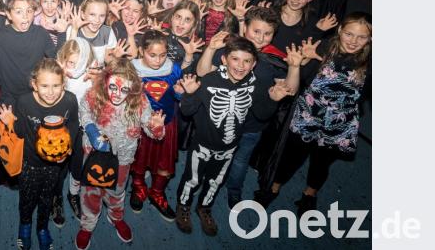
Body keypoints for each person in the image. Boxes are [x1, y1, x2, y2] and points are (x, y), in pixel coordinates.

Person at [174, 37, 292, 236]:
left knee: (215, 181)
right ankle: (183, 205)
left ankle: (205, 207)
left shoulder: (254, 85)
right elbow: (187, 111)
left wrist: (272, 100)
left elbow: (262, 114)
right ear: (224, 60)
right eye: (235, 59)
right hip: (202, 145)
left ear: (254, 64)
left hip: (229, 147)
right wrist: (191, 94)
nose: (241, 66)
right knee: (192, 179)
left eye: (247, 61)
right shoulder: (209, 80)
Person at [261, 12, 371, 215]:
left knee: (321, 163)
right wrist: (307, 60)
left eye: (362, 37)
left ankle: (309, 194)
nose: (354, 41)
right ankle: (274, 187)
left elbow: (360, 86)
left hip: (339, 123)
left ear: (370, 38)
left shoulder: (370, 62)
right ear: (340, 31)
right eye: (349, 34)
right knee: (292, 155)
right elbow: (302, 78)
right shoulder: (325, 46)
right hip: (309, 115)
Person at [195, 7, 303, 208]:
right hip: (222, 121)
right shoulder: (231, 49)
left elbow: (289, 89)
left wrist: (295, 68)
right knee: (211, 158)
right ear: (245, 29)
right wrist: (210, 49)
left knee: (240, 161)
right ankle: (200, 184)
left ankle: (234, 191)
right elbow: (202, 72)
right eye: (256, 31)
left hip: (252, 125)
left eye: (267, 33)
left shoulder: (275, 59)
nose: (261, 38)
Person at [76, 58, 166, 249]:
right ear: (105, 81)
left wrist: (156, 127)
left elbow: (150, 128)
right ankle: (88, 224)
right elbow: (83, 112)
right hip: (94, 154)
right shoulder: (94, 95)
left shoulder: (140, 102)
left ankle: (115, 216)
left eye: (124, 89)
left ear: (132, 87)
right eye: (113, 88)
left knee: (117, 190)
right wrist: (91, 129)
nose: (117, 94)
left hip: (123, 157)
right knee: (90, 191)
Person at [0, 59, 80, 250]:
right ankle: (25, 225)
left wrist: (68, 147)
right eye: (44, 86)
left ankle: (42, 227)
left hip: (55, 164)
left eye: (56, 85)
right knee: (27, 198)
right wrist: (10, 122)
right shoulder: (24, 102)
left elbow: (73, 124)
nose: (50, 91)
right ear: (34, 85)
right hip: (30, 162)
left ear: (63, 84)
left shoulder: (69, 100)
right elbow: (21, 133)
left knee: (47, 197)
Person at [0, 0, 63, 105]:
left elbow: (57, 58)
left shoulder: (41, 33)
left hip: (36, 96)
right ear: (9, 14)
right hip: (9, 98)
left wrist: (62, 32)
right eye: (19, 12)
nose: (25, 16)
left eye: (29, 11)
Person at [129, 30, 184, 222]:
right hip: (140, 125)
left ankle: (157, 193)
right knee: (138, 159)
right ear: (142, 51)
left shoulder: (174, 70)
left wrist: (180, 94)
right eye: (152, 55)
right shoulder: (131, 71)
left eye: (162, 55)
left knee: (164, 162)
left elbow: (179, 96)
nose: (158, 60)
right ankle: (138, 186)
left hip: (167, 123)